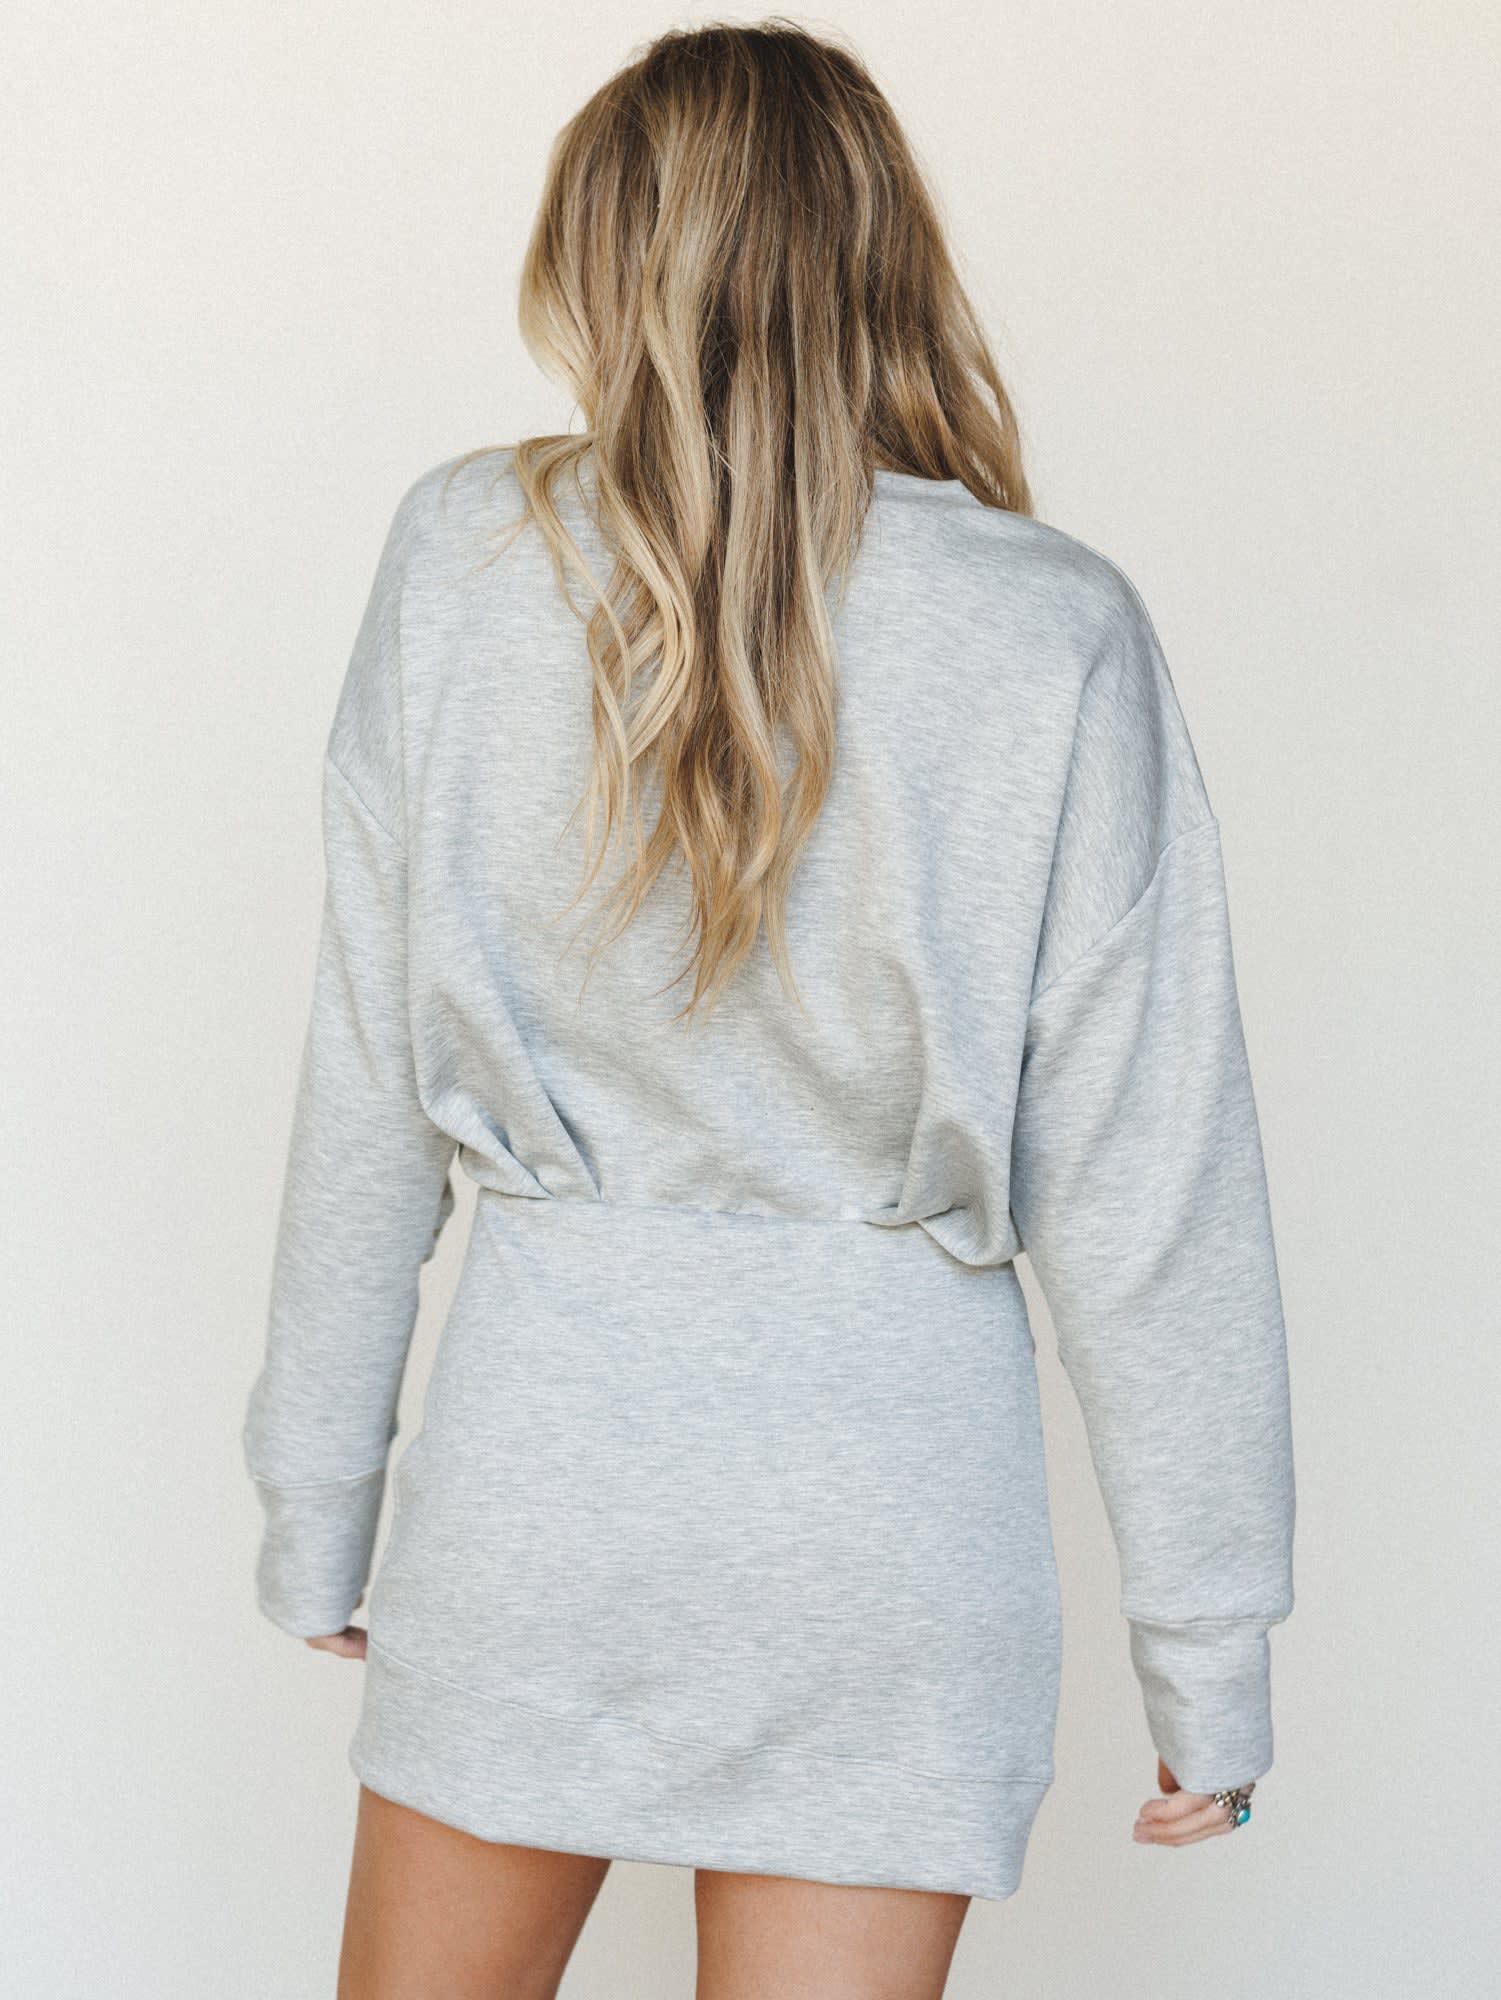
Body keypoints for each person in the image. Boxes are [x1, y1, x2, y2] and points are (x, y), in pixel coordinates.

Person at [241, 19, 1296, 1998]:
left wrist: (317, 1496)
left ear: (598, 253)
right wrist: (1209, 1649)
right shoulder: (1052, 628)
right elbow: (1155, 1196)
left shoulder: (464, 558)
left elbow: (368, 1080)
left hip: (539, 1497)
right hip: (891, 1537)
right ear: (886, 256)